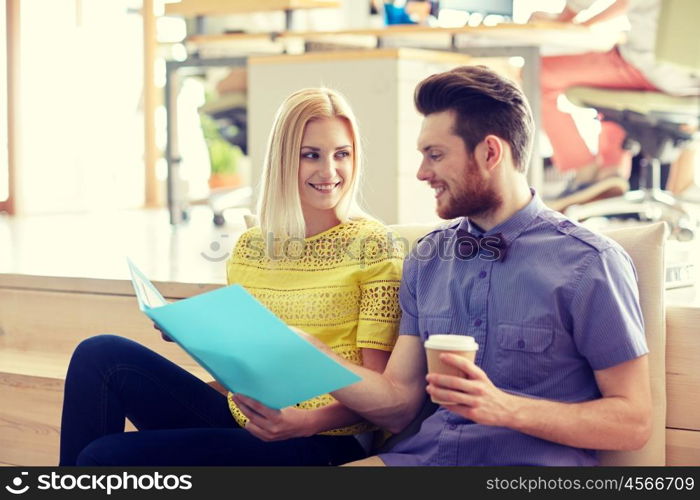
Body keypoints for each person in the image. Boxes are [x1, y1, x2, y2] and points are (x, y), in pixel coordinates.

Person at [286, 65, 651, 466]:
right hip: (420, 461)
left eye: (436, 155)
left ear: (490, 152)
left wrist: (505, 408)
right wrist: (314, 355)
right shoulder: (428, 260)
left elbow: (632, 422)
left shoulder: (589, 264)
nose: (423, 173)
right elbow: (399, 406)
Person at [58, 88, 404, 466]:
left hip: (325, 439)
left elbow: (380, 392)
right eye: (311, 155)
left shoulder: (373, 244)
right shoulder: (250, 247)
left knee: (103, 457)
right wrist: (196, 334)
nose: (329, 171)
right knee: (100, 353)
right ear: (284, 160)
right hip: (247, 416)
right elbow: (242, 368)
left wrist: (303, 422)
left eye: (342, 154)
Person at [532, 0, 700, 211]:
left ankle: (582, 169)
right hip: (691, 83)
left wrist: (565, 17)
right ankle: (611, 172)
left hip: (647, 68)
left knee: (535, 71)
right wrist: (588, 23)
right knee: (608, 83)